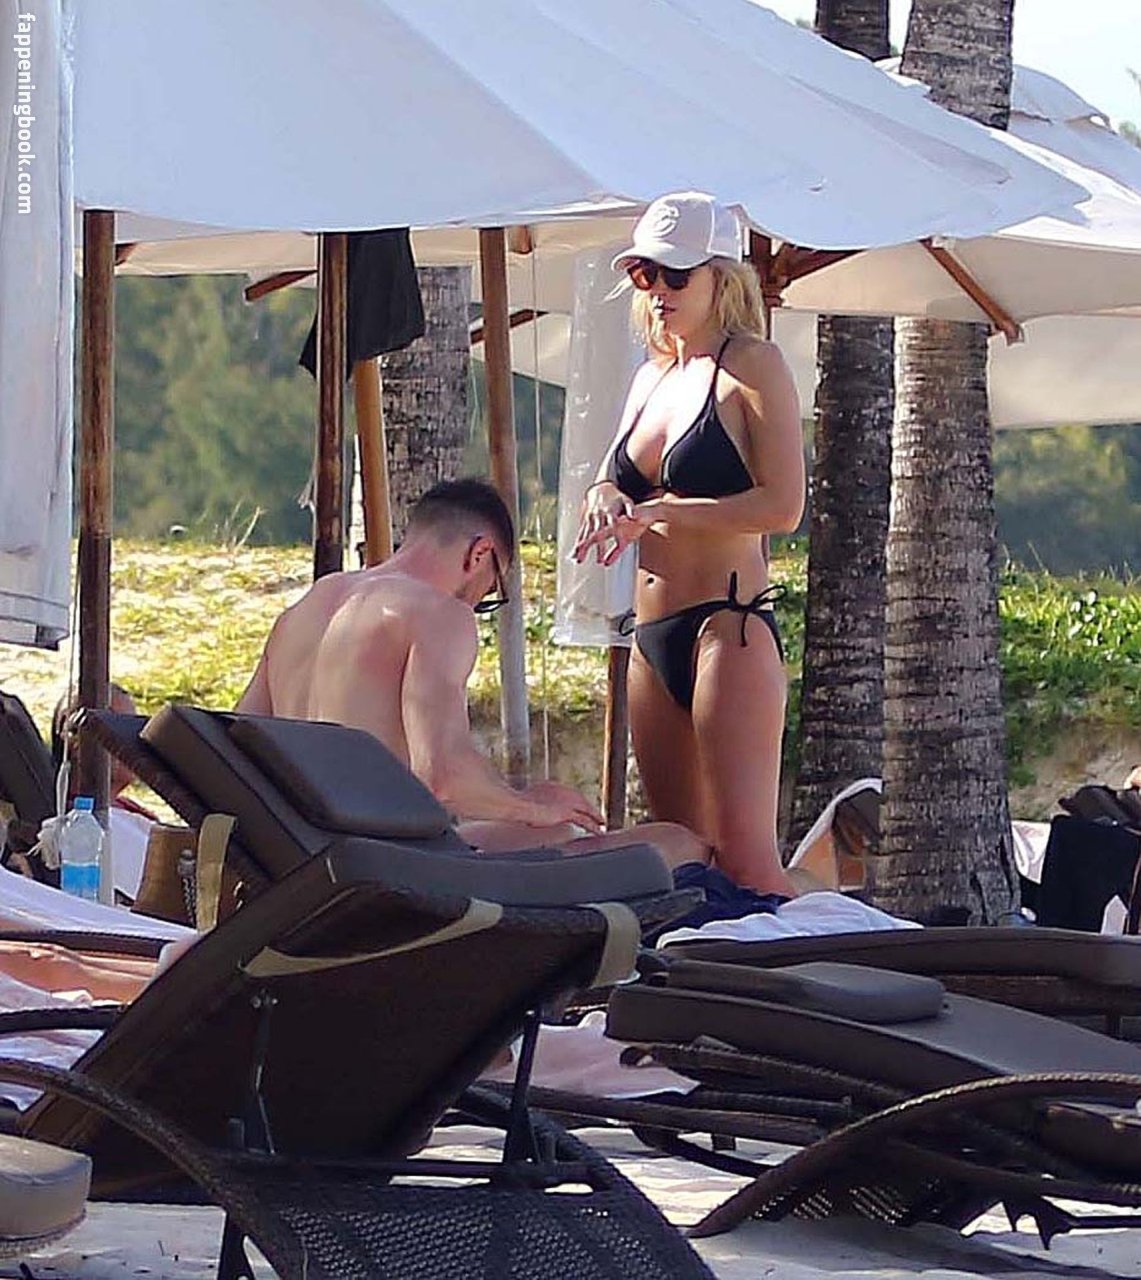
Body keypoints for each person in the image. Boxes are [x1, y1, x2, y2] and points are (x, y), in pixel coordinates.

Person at [238, 478, 706, 867]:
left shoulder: (308, 606)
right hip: (388, 871)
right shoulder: (437, 614)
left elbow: (241, 741)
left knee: (555, 831)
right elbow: (442, 776)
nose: (481, 601)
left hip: (301, 859)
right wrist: (532, 807)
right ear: (479, 554)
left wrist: (516, 804)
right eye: (491, 589)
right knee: (676, 843)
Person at [573, 193, 806, 898]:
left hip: (725, 628)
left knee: (747, 865)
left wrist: (660, 512)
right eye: (645, 274)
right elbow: (611, 481)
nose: (658, 290)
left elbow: (782, 506)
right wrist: (606, 497)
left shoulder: (753, 365)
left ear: (721, 277)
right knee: (682, 859)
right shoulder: (652, 375)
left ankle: (827, 935)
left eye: (676, 275)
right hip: (652, 637)